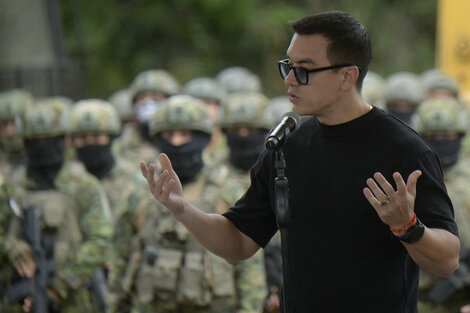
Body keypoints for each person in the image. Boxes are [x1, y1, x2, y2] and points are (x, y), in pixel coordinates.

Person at [140, 11, 460, 313]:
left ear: (346, 76)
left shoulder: (404, 150)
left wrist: (407, 226)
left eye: (304, 70)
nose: (289, 80)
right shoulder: (287, 147)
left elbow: (447, 260)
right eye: (287, 66)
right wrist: (182, 209)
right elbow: (238, 242)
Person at [115, 94, 266, 313]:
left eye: (185, 134)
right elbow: (120, 257)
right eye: (169, 134)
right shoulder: (140, 190)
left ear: (203, 138)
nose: (177, 142)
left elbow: (250, 269)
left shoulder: (227, 189)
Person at [5, 98, 113, 313]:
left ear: (64, 140)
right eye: (35, 141)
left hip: (73, 298)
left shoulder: (83, 185)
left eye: (50, 140)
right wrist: (11, 247)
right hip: (19, 296)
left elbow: (100, 242)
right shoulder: (11, 187)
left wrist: (59, 286)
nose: (42, 148)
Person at [411, 98, 470, 312]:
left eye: (447, 136)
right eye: (433, 137)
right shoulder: (409, 178)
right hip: (418, 297)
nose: (440, 142)